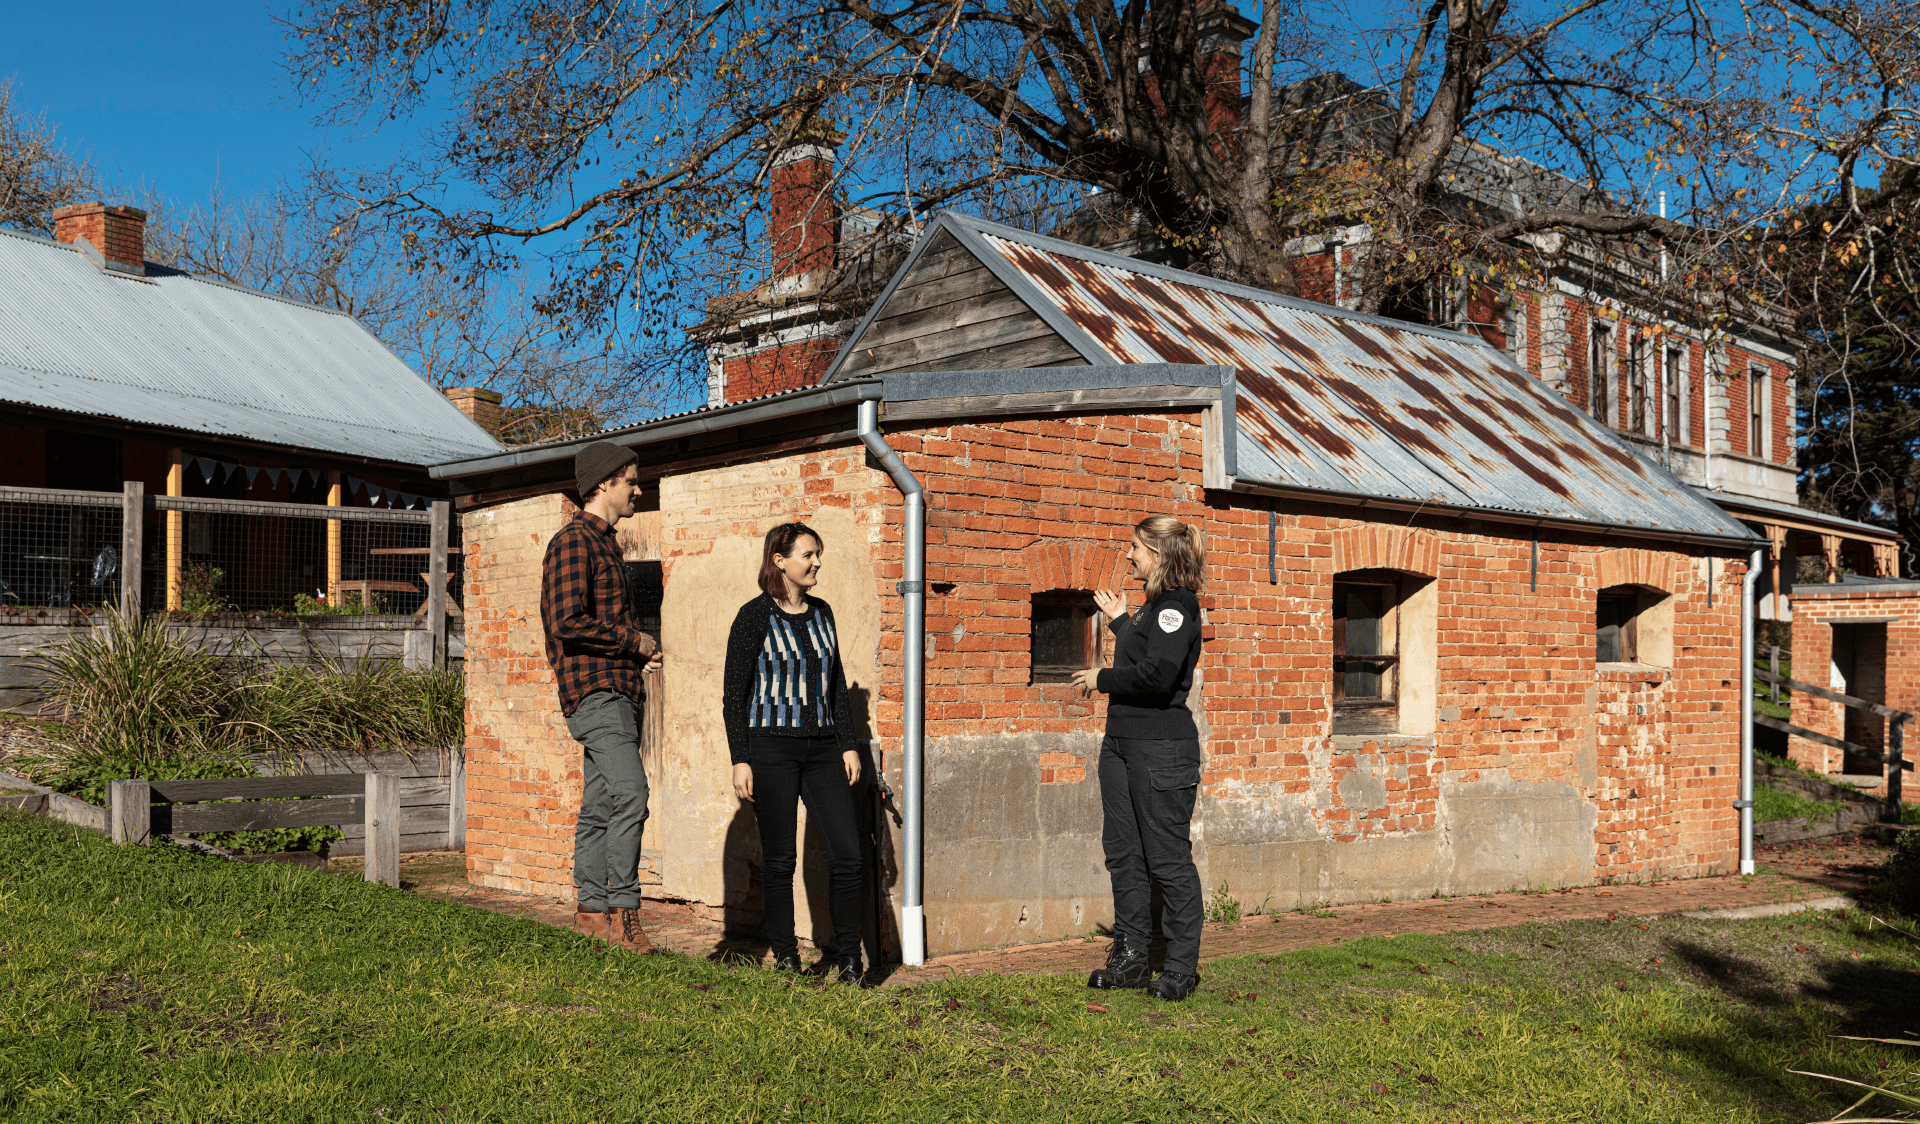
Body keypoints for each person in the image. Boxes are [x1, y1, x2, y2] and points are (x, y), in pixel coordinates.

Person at [1070, 515, 1207, 1001]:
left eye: (1135, 548)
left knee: (1167, 860)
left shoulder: (1177, 606)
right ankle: (1129, 959)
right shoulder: (1151, 610)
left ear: (1160, 553)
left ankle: (1179, 967)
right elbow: (1142, 656)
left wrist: (1100, 678)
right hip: (1121, 744)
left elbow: (1158, 675)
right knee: (1124, 855)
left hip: (1161, 748)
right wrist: (1122, 621)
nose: (1128, 555)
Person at [724, 522, 869, 983]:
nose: (816, 562)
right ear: (779, 561)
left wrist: (848, 744)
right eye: (808, 554)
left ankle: (849, 958)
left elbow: (836, 685)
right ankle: (787, 956)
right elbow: (734, 693)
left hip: (825, 749)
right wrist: (740, 757)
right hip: (771, 749)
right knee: (781, 859)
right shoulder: (754, 616)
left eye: (818, 554)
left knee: (848, 855)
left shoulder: (823, 612)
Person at [541, 441, 663, 951]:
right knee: (632, 794)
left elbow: (596, 621)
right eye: (631, 480)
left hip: (617, 689)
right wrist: (634, 641)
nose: (638, 488)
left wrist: (637, 655)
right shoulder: (575, 541)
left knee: (601, 803)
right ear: (604, 483)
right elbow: (565, 621)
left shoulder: (605, 543)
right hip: (596, 693)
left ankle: (591, 915)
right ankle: (622, 914)